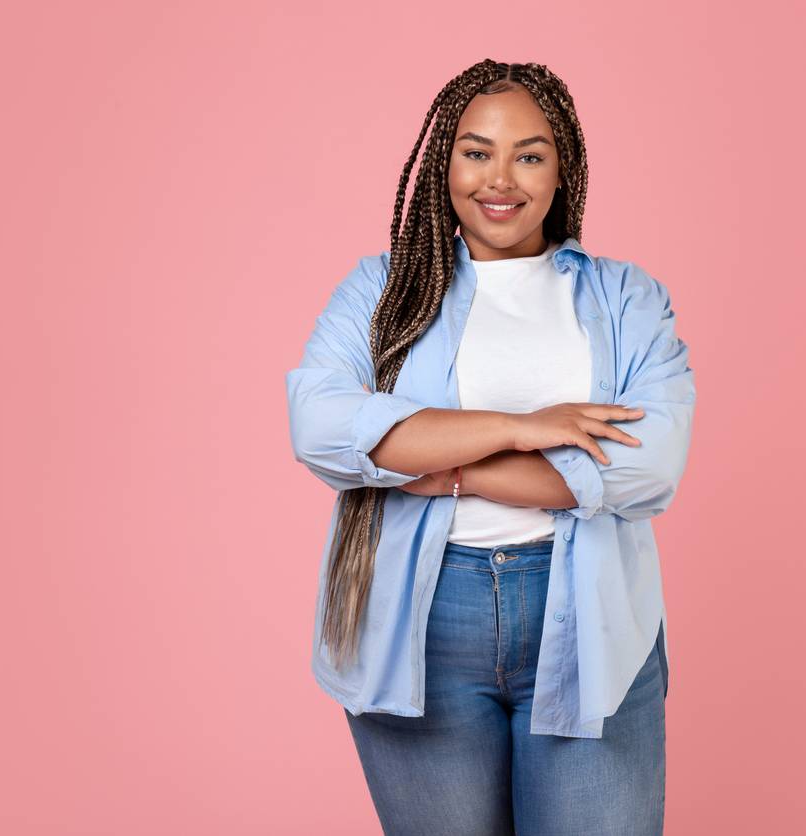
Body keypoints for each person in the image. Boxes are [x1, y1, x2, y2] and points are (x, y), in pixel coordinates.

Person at [285, 59, 695, 836]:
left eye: (529, 154)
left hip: (591, 624)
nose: (499, 178)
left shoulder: (626, 297)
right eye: (476, 152)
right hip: (419, 623)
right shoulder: (379, 293)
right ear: (445, 163)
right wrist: (525, 426)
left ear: (561, 166)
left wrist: (449, 463)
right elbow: (324, 429)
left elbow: (647, 464)